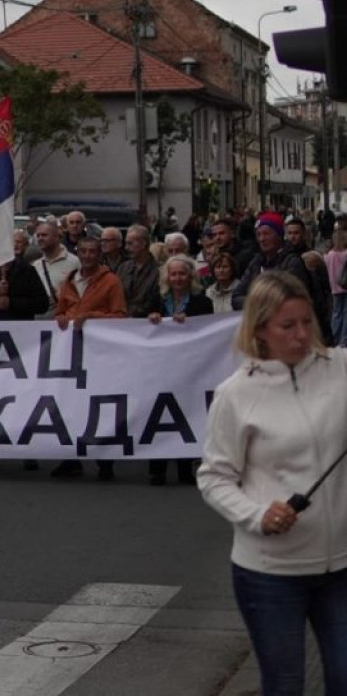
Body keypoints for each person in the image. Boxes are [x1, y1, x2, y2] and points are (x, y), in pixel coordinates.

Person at [198, 272, 347, 694]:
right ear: (260, 329)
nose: (301, 334)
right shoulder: (236, 394)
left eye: (307, 322)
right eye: (287, 325)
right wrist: (258, 515)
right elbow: (214, 477)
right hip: (270, 574)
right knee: (285, 684)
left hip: (342, 566)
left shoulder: (341, 369)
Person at [52, 236, 127, 481]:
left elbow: (120, 315)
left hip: (100, 354)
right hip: (72, 352)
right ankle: (71, 459)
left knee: (99, 406)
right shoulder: (70, 280)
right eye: (83, 251)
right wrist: (61, 317)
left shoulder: (111, 281)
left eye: (92, 251)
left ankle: (105, 461)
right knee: (71, 403)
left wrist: (91, 316)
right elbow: (60, 310)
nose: (87, 256)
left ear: (99, 254)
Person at [146, 254, 213, 486]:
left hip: (189, 366)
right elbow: (140, 323)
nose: (177, 278)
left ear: (190, 276)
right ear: (167, 277)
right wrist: (152, 317)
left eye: (182, 274)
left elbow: (209, 330)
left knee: (186, 414)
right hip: (160, 366)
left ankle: (185, 468)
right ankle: (157, 469)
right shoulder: (156, 299)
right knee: (158, 414)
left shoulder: (202, 302)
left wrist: (190, 321)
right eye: (173, 274)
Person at [231, 213, 311, 310]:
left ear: (279, 235)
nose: (262, 239)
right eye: (259, 234)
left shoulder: (291, 262)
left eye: (266, 234)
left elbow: (288, 298)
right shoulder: (256, 263)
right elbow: (236, 297)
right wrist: (257, 303)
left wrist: (258, 302)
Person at [31, 218, 78, 318]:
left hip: (64, 320)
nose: (40, 238)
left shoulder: (74, 262)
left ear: (57, 237)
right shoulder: (36, 265)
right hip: (39, 322)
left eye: (44, 235)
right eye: (38, 236)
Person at [118, 224, 160, 317]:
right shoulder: (123, 268)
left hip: (144, 320)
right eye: (126, 243)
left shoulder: (158, 271)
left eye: (130, 243)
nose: (126, 248)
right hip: (121, 319)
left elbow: (153, 301)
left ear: (143, 244)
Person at [206, 251, 238, 315]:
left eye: (225, 267)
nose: (221, 270)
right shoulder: (209, 292)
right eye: (218, 267)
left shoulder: (240, 289)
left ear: (232, 270)